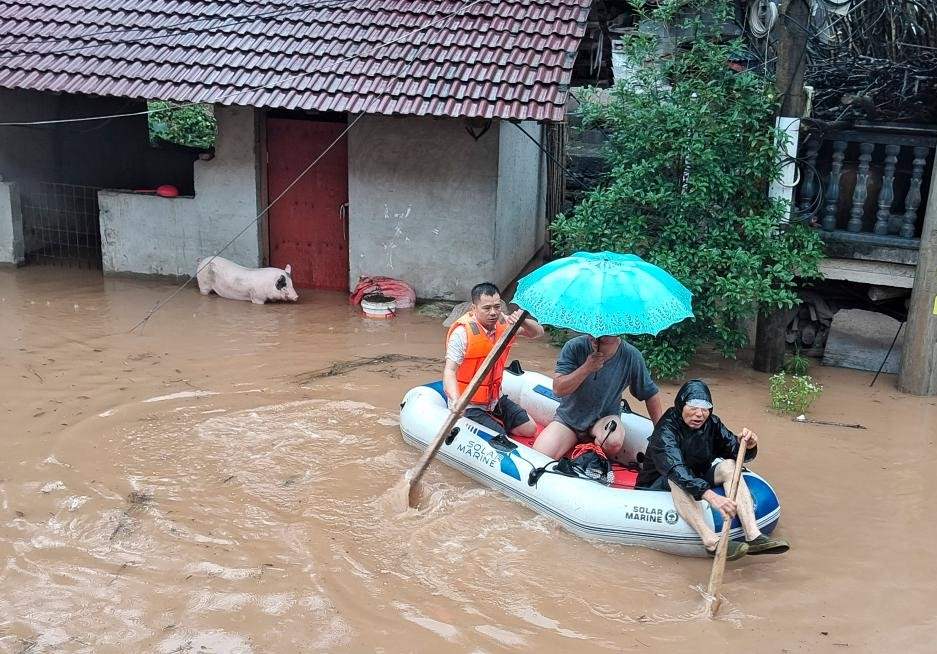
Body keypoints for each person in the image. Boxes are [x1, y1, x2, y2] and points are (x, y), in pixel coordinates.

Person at [636, 379, 790, 560]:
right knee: (676, 480)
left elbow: (735, 452)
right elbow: (677, 471)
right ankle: (711, 542)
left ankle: (753, 535)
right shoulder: (666, 430)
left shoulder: (712, 424)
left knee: (729, 465)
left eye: (705, 409)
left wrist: (749, 446)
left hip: (696, 477)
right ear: (681, 406)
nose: (699, 414)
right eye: (693, 407)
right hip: (657, 485)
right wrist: (713, 497)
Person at [532, 334, 663, 463]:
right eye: (594, 334)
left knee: (613, 441)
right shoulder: (574, 346)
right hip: (569, 419)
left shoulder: (631, 356)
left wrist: (660, 431)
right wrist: (586, 368)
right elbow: (558, 389)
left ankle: (595, 458)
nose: (598, 337)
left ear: (618, 333)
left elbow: (650, 394)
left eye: (606, 334)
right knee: (539, 456)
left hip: (604, 418)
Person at [444, 282, 544, 437]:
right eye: (487, 308)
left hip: (494, 398)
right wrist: (457, 400)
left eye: (497, 307)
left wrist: (523, 320)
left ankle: (495, 420)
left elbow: (537, 333)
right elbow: (450, 371)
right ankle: (494, 426)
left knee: (530, 429)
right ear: (474, 308)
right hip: (469, 403)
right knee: (500, 437)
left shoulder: (505, 323)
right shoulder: (462, 333)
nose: (493, 313)